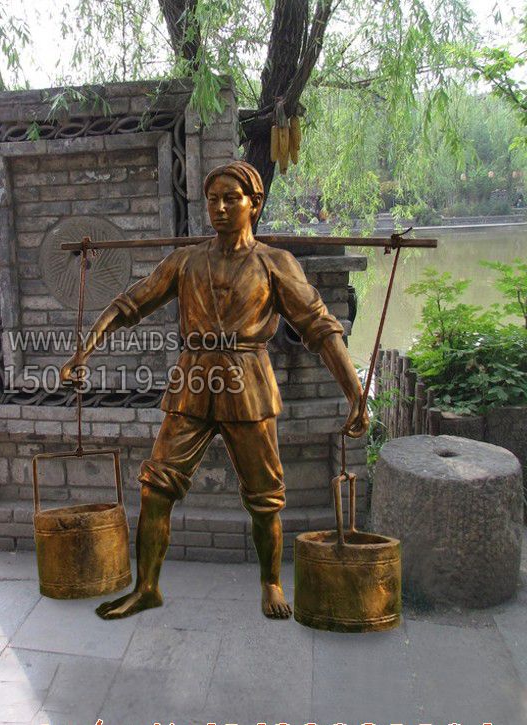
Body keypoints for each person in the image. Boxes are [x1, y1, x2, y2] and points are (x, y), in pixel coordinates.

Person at [60, 160, 368, 620]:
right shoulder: (186, 260)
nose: (220, 208)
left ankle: (270, 582)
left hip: (249, 383)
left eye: (230, 199)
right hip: (193, 382)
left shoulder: (274, 264)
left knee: (265, 497)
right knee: (155, 487)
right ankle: (147, 587)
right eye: (213, 200)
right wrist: (83, 352)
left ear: (254, 204)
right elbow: (130, 304)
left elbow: (321, 329)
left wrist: (355, 393)